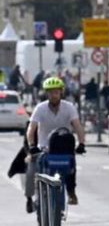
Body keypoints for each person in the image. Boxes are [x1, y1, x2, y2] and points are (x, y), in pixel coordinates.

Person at [25, 76, 87, 211]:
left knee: (71, 166)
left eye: (56, 92)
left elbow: (78, 126)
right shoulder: (40, 108)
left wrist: (81, 143)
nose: (54, 95)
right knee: (31, 170)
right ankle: (30, 198)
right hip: (44, 147)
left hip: (63, 147)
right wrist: (32, 145)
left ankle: (71, 192)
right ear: (46, 93)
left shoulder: (69, 107)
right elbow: (31, 128)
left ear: (61, 93)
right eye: (51, 92)